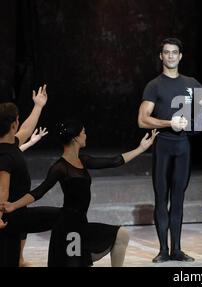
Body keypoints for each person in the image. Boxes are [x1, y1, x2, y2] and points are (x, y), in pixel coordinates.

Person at [1, 120, 158, 267]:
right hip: (68, 228)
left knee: (121, 235)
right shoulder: (60, 167)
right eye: (83, 132)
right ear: (75, 138)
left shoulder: (83, 160)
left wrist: (141, 148)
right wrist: (14, 205)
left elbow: (114, 161)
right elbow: (38, 192)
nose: (86, 135)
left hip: (80, 223)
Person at [138, 38, 202, 263]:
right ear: (161, 56)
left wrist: (198, 122)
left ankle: (176, 249)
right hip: (163, 147)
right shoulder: (154, 85)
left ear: (180, 56)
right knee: (161, 199)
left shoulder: (192, 83)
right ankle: (163, 251)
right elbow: (142, 120)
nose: (170, 56)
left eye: (174, 52)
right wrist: (170, 123)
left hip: (183, 148)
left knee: (178, 199)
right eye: (166, 52)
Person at [0, 85, 61, 267]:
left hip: (15, 214)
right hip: (9, 216)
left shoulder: (10, 145)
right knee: (62, 216)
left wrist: (38, 106)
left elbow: (26, 130)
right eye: (18, 120)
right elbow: (2, 189)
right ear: (13, 125)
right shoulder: (4, 155)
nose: (20, 124)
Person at [18, 127, 48, 267]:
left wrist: (31, 142)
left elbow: (15, 151)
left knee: (21, 225)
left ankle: (19, 259)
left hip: (15, 197)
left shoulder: (6, 151)